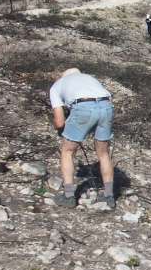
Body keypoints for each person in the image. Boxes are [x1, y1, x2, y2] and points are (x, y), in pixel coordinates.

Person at [49, 69, 116, 210]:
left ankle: (68, 196)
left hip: (83, 107)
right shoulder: (89, 78)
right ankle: (109, 196)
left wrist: (57, 125)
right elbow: (107, 98)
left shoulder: (57, 86)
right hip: (106, 106)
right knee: (103, 154)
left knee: (67, 151)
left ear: (62, 76)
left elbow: (60, 122)